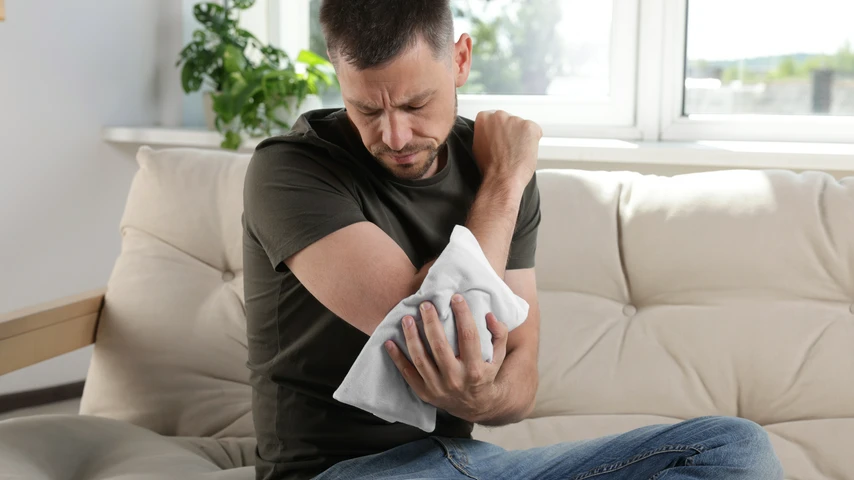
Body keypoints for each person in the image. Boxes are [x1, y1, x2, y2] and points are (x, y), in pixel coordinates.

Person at [241, 1, 785, 479]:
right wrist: (504, 183)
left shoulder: (493, 167)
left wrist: (484, 395)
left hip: (470, 463)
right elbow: (444, 335)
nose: (395, 136)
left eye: (414, 105)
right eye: (367, 110)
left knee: (735, 450)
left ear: (459, 60)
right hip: (343, 472)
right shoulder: (289, 169)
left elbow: (520, 377)